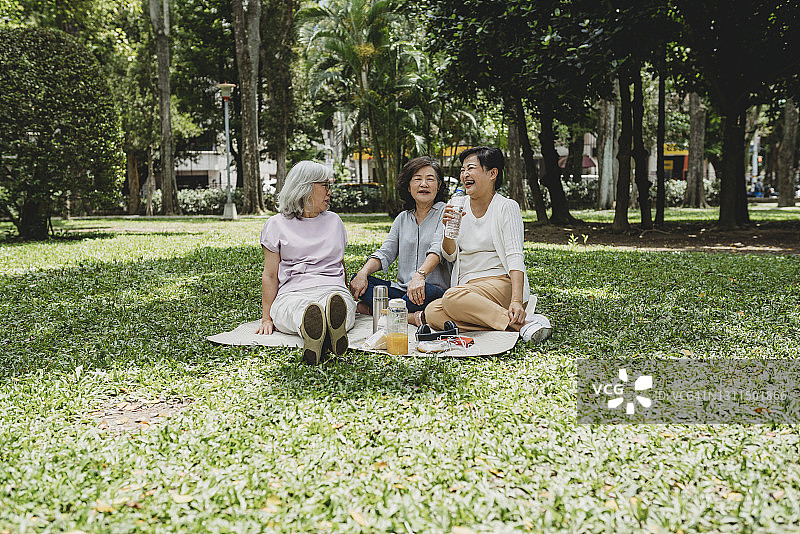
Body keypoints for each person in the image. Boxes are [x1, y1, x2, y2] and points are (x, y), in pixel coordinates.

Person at [423, 147, 552, 343]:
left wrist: (517, 300)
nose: (465, 174)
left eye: (471, 168)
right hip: (468, 289)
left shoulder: (506, 207)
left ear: (492, 173)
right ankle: (518, 324)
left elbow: (515, 256)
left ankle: (516, 320)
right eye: (463, 169)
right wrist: (448, 232)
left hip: (501, 283)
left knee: (451, 298)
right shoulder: (458, 205)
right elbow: (449, 255)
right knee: (432, 313)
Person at [255, 161, 356, 364]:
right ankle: (320, 328)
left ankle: (317, 328)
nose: (329, 192)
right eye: (325, 186)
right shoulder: (276, 225)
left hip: (331, 290)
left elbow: (340, 263)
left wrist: (344, 291)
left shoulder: (334, 220)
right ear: (306, 187)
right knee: (297, 309)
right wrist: (266, 317)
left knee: (338, 305)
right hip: (294, 292)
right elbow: (270, 275)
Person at [349, 156, 451, 326]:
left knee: (424, 290)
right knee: (362, 281)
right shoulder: (402, 218)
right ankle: (403, 313)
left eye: (430, 179)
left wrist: (420, 277)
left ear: (439, 186)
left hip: (432, 290)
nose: (423, 184)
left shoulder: (445, 212)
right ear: (409, 186)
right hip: (403, 291)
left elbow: (437, 249)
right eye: (417, 179)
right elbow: (386, 252)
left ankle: (377, 310)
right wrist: (363, 273)